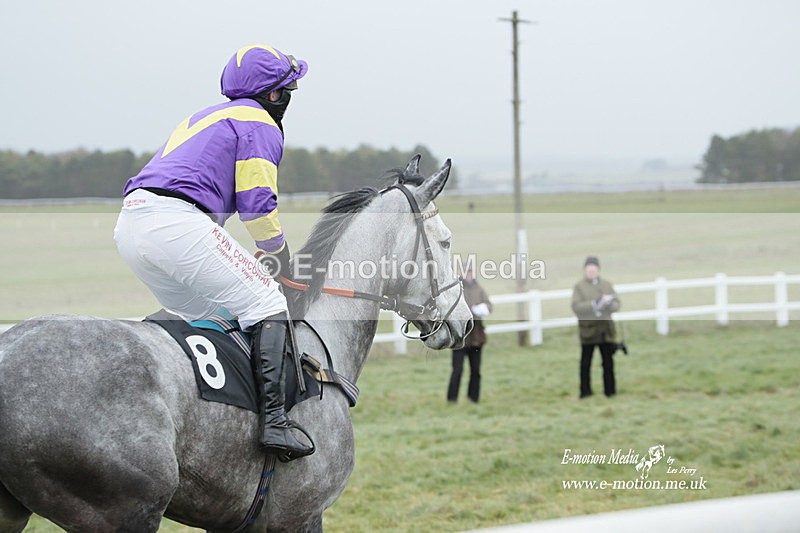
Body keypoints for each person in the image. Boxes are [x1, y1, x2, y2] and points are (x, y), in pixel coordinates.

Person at [113, 44, 313, 461]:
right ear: (274, 96)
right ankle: (275, 423)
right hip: (178, 224)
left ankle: (216, 426)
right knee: (267, 302)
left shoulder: (204, 115)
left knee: (217, 320)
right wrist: (279, 258)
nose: (289, 99)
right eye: (288, 90)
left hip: (131, 226)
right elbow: (258, 203)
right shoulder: (259, 122)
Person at [571, 256, 621, 398]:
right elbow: (576, 307)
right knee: (586, 363)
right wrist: (594, 304)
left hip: (606, 330)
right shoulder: (579, 287)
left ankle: (610, 391)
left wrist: (609, 304)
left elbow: (617, 304)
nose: (592, 271)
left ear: (598, 270)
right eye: (589, 269)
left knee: (608, 363)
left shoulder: (607, 285)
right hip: (589, 330)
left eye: (594, 269)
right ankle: (585, 392)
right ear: (585, 270)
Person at [447, 268, 492, 403]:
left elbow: (489, 305)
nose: (469, 275)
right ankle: (452, 398)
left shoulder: (479, 288)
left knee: (476, 370)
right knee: (457, 370)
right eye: (466, 272)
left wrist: (483, 309)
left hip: (476, 336)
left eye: (470, 272)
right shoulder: (456, 289)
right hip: (460, 336)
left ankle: (473, 398)